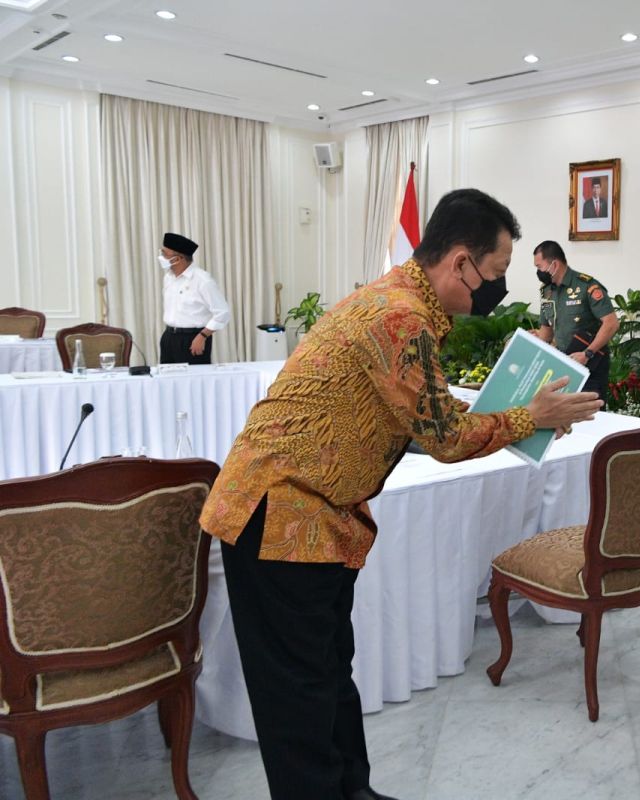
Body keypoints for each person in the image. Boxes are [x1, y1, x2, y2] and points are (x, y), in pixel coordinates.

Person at [198, 189, 603, 800]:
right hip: (279, 516)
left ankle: (353, 791)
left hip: (313, 516)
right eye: (492, 274)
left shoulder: (398, 301)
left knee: (331, 674)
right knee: (298, 701)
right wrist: (531, 417)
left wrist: (523, 413)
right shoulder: (401, 317)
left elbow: (424, 410)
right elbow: (443, 437)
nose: (492, 291)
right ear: (461, 262)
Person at [534, 240, 619, 401]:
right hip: (563, 367)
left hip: (590, 366)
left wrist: (587, 354)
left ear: (554, 264)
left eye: (539, 267)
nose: (538, 272)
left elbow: (611, 323)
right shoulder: (547, 292)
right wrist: (528, 340)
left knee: (592, 417)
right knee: (564, 420)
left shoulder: (586, 286)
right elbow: (546, 333)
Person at [158, 232, 231, 364]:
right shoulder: (168, 277)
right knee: (167, 382)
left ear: (178, 259)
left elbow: (223, 312)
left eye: (164, 254)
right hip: (169, 337)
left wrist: (203, 336)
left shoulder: (202, 280)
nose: (161, 257)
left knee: (193, 382)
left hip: (193, 339)